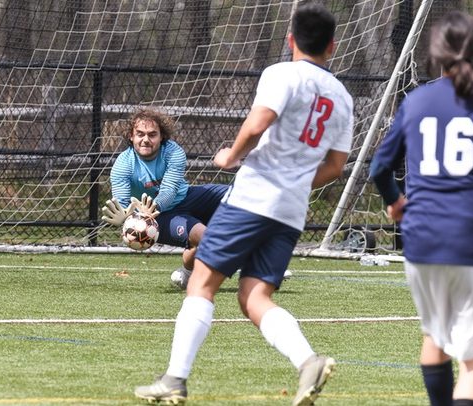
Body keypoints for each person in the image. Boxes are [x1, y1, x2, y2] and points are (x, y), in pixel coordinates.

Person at [134, 2, 353, 405]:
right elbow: (336, 167)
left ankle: (174, 380)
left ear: (291, 41)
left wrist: (231, 156)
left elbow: (257, 124)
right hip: (290, 210)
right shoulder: (342, 96)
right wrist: (297, 184)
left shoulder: (281, 73)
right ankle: (308, 361)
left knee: (201, 282)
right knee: (253, 295)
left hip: (254, 195)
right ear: (333, 47)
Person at [370, 10, 473, 406]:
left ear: (435, 54)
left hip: (421, 237)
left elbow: (379, 168)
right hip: (469, 238)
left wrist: (396, 203)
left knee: (435, 335)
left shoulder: (416, 101)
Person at [102, 107, 229, 289]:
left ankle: (189, 265)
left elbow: (169, 190)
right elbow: (122, 204)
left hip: (185, 198)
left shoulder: (173, 152)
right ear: (131, 136)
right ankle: (255, 268)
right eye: (140, 134)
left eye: (152, 134)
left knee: (239, 195)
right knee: (206, 237)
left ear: (162, 137)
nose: (146, 139)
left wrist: (154, 205)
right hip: (159, 218)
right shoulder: (123, 165)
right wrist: (125, 219)